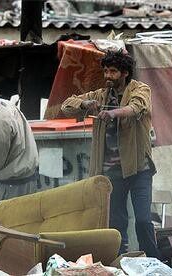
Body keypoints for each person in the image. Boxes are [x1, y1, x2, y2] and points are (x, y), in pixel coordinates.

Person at [61, 50, 160, 259]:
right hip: (112, 173)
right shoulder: (100, 94)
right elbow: (66, 105)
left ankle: (153, 262)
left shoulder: (140, 89)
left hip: (138, 169)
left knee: (143, 220)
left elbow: (136, 107)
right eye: (105, 71)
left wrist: (113, 113)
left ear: (125, 73)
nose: (107, 76)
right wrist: (85, 104)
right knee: (116, 224)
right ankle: (119, 263)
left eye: (113, 71)